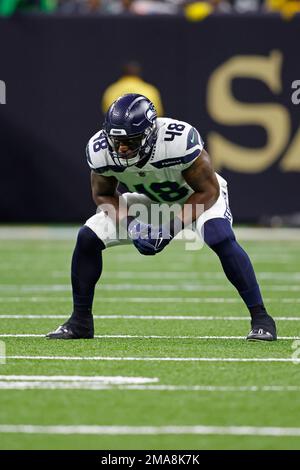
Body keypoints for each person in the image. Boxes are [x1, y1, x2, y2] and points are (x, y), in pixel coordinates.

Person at [46, 93, 277, 341]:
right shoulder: (101, 149)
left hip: (194, 197)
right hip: (151, 200)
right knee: (88, 237)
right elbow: (103, 195)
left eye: (131, 141)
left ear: (149, 135)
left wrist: (169, 229)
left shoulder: (178, 140)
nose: (121, 148)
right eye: (116, 141)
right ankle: (80, 322)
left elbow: (208, 190)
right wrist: (132, 226)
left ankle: (261, 318)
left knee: (219, 236)